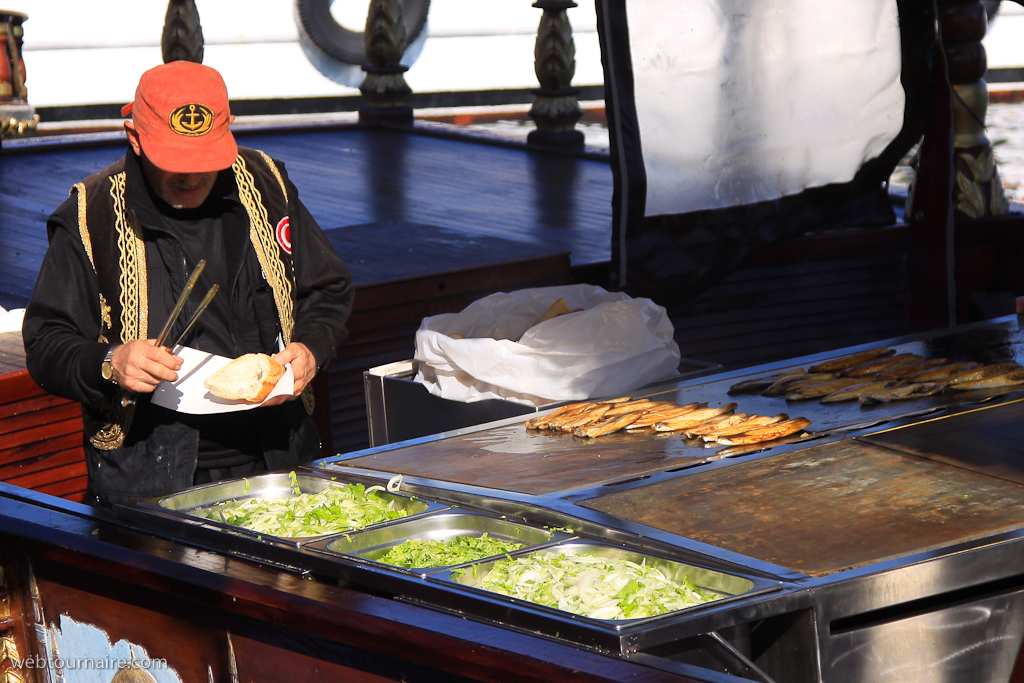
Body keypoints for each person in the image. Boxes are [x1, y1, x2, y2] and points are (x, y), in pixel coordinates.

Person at [23, 61, 354, 507]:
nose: (192, 177)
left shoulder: (267, 185)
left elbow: (328, 290)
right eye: (175, 161)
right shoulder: (91, 215)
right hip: (152, 479)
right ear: (134, 138)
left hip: (279, 460)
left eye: (204, 160)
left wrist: (313, 347)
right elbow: (46, 344)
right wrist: (110, 361)